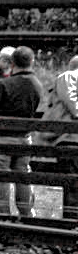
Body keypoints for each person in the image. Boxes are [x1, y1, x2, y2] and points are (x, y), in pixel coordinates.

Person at [0, 46, 43, 218]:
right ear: (32, 62)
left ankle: (3, 213)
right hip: (24, 137)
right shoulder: (37, 84)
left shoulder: (3, 84)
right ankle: (27, 212)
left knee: (0, 178)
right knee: (23, 176)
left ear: (12, 63)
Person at [45, 55, 78, 220]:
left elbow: (72, 104)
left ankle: (71, 222)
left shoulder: (68, 76)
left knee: (72, 184)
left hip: (70, 137)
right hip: (71, 137)